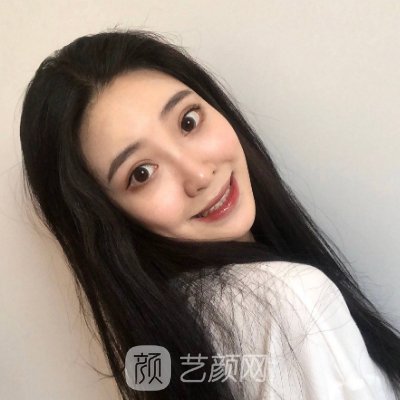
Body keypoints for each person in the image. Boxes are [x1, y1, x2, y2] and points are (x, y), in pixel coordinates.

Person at [19, 30, 400, 400]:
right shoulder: (292, 298)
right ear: (107, 216)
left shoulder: (172, 327)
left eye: (188, 122)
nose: (199, 176)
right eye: (142, 173)